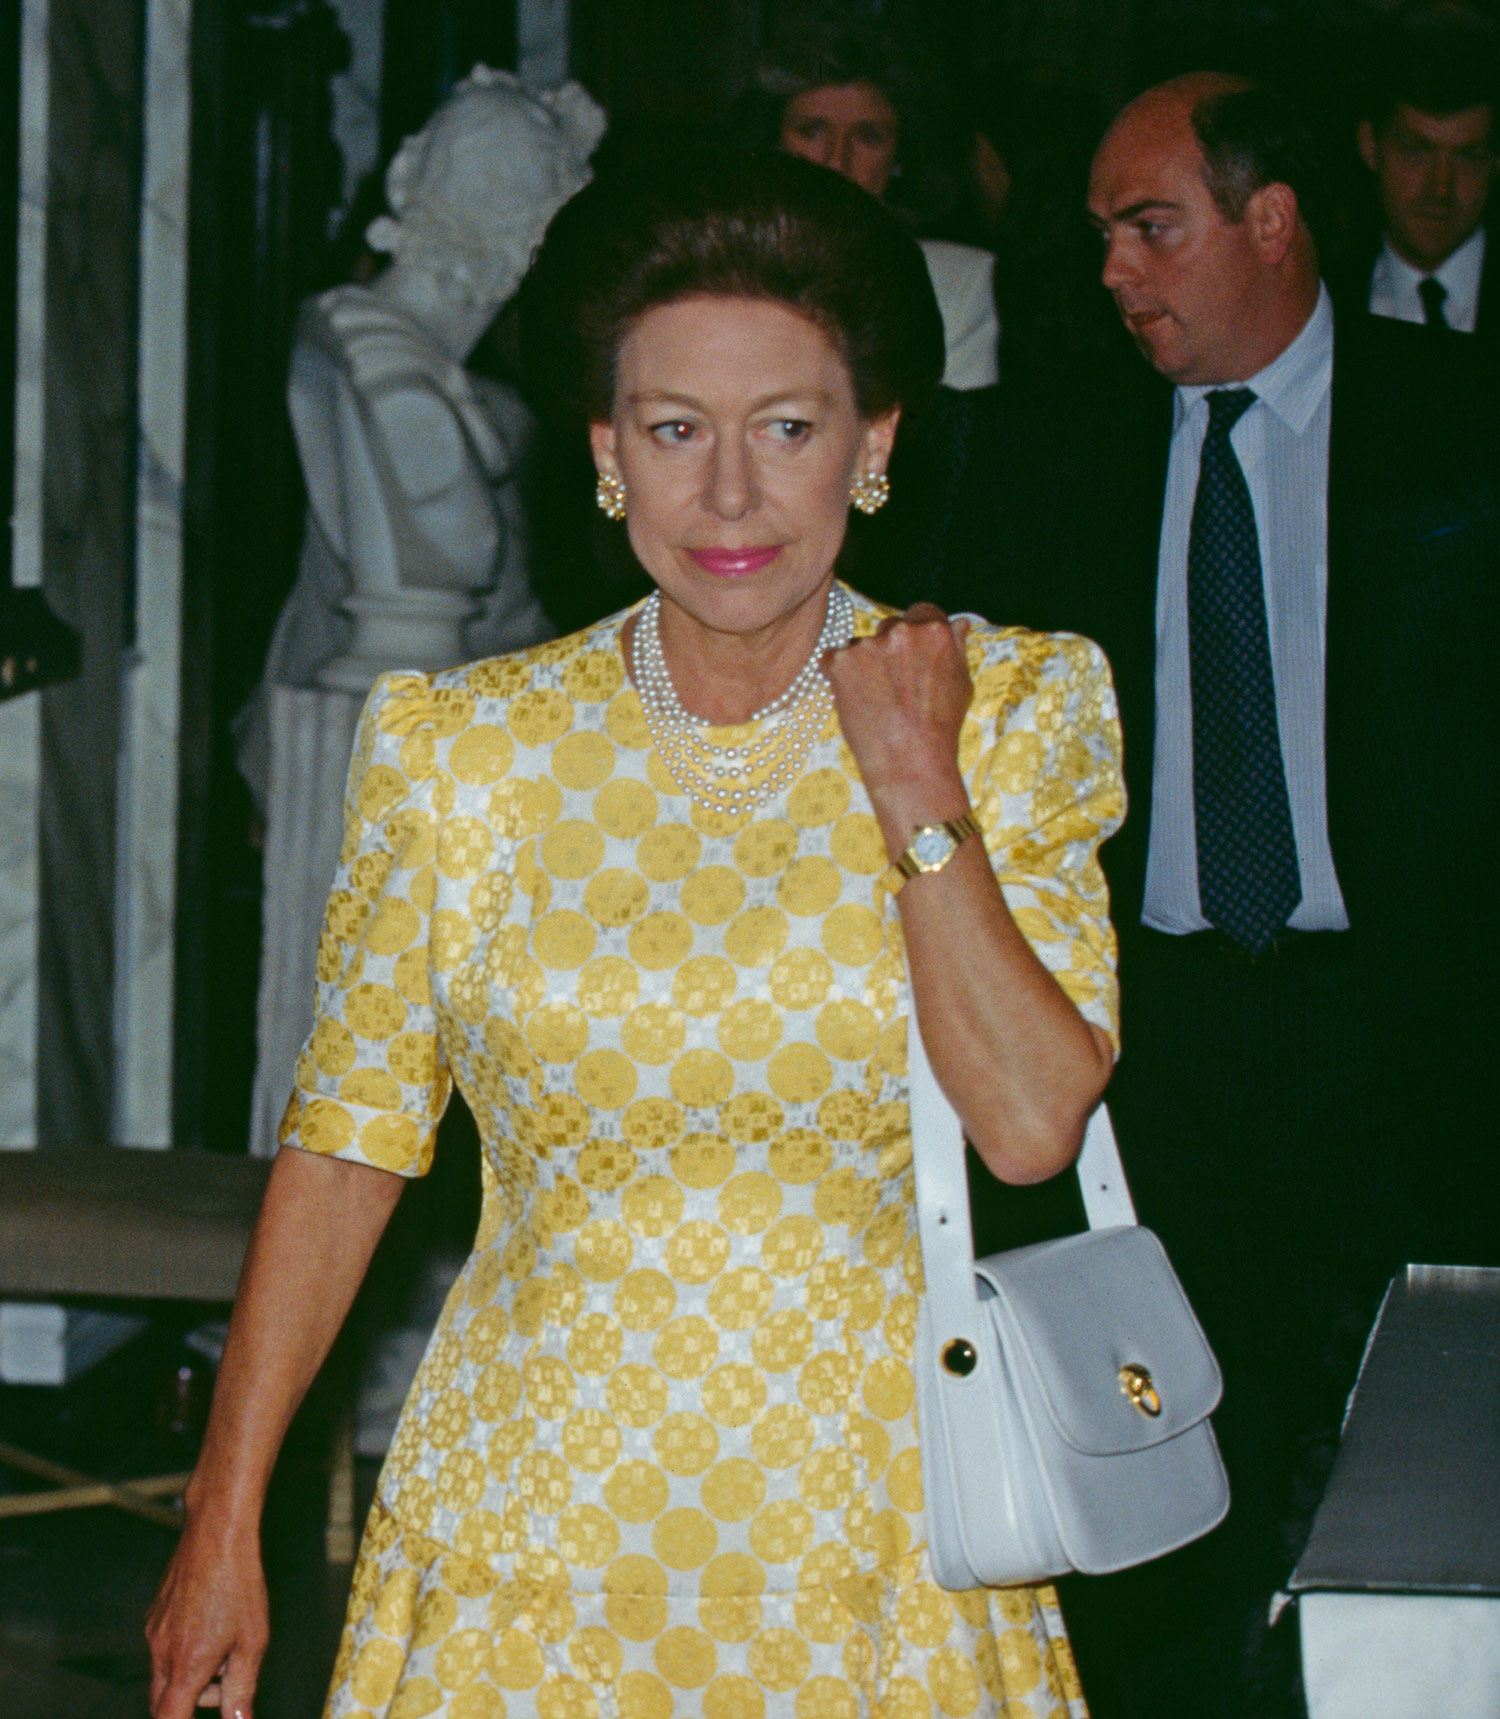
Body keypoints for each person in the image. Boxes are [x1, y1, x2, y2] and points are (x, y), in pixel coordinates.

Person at [146, 149, 1122, 1719]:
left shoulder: (1012, 707)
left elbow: (1029, 1123)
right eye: (675, 431)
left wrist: (914, 788)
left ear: (872, 443)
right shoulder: (465, 748)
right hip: (524, 1551)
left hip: (874, 1545)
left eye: (786, 430)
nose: (728, 495)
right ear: (607, 453)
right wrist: (221, 1510)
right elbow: (346, 1142)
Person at [938, 72, 1499, 1718]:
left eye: (1152, 226)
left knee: (1420, 1454)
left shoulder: (1463, 421)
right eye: (1105, 234)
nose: (1117, 271)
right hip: (1153, 1036)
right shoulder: (1056, 441)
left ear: (1271, 221)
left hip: (1409, 1025)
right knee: (1164, 1462)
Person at [742, 16, 1000, 390]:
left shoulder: (961, 283)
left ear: (900, 159)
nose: (836, 160)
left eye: (868, 137)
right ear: (772, 145)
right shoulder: (709, 267)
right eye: (812, 131)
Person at [1353, 15, 1498, 336]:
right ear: (1370, 146)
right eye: (1417, 151)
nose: (1441, 188)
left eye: (1468, 157)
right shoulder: (1319, 296)